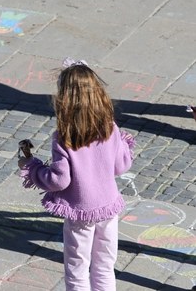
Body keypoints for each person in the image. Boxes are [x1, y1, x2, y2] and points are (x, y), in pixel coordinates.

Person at [17, 58, 135, 291]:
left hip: (80, 212)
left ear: (65, 100)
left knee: (77, 268)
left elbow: (59, 180)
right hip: (108, 207)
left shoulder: (65, 137)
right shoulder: (110, 127)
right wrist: (122, 144)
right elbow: (121, 166)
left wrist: (33, 166)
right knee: (104, 265)